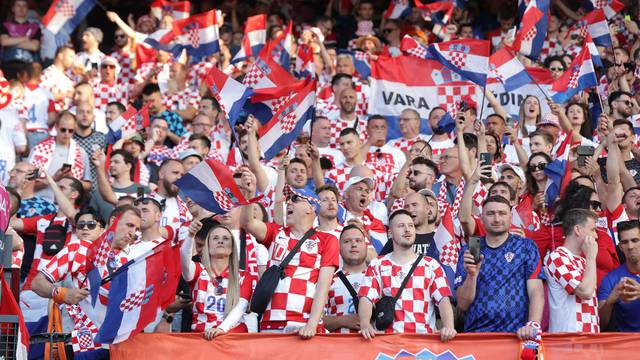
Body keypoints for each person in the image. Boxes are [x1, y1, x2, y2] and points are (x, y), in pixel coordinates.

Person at [240, 191, 339, 337]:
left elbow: (323, 288)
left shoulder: (328, 240)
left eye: (296, 199)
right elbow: (247, 223)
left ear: (311, 208)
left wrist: (311, 324)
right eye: (289, 200)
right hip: (270, 322)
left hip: (303, 324)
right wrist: (248, 195)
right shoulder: (275, 232)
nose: (289, 203)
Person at [358, 210, 456, 341]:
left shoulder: (431, 265)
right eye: (401, 226)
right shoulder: (377, 264)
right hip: (388, 344)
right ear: (390, 233)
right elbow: (366, 298)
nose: (407, 229)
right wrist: (365, 324)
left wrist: (449, 326)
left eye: (410, 225)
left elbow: (443, 299)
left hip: (423, 344)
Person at [455, 196, 544, 339]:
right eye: (490, 214)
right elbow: (462, 304)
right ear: (481, 218)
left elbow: (536, 291)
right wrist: (472, 275)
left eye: (502, 213)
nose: (496, 219)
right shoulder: (473, 248)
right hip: (476, 335)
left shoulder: (526, 246)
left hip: (516, 334)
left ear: (511, 218)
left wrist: (532, 324)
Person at [181, 221, 255, 338]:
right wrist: (190, 235)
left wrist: (221, 329)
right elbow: (184, 260)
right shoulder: (198, 270)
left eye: (225, 238)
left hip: (232, 338)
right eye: (215, 238)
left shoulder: (244, 275)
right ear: (207, 246)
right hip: (202, 338)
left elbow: (240, 307)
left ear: (232, 248)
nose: (220, 241)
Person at [544, 209, 600, 333]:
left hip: (589, 337)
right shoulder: (557, 257)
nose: (596, 235)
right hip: (568, 338)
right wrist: (591, 257)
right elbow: (585, 292)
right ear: (577, 230)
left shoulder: (585, 261)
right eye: (592, 229)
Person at [323, 223, 368, 333]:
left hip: (373, 347)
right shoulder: (328, 279)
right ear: (339, 247)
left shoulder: (378, 277)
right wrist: (343, 320)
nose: (353, 244)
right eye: (347, 241)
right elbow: (315, 320)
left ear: (366, 246)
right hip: (338, 346)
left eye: (358, 241)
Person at [598, 220, 640, 332]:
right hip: (624, 344)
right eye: (625, 242)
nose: (630, 246)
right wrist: (610, 302)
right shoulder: (611, 278)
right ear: (620, 247)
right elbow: (602, 324)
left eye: (635, 240)